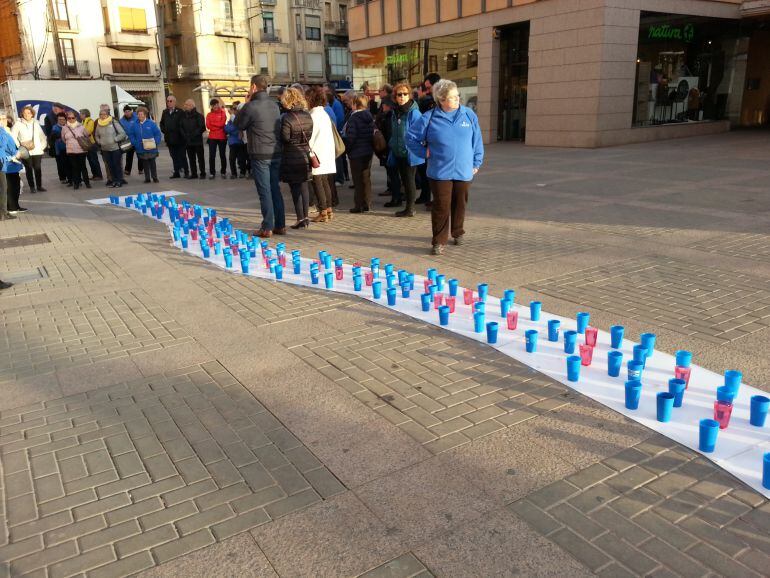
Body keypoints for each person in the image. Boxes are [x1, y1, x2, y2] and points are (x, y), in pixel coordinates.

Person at [407, 79, 483, 255]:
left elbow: (477, 141)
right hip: (440, 171)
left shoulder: (468, 115)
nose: (458, 100)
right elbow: (410, 137)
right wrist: (423, 151)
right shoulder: (429, 117)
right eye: (453, 97)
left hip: (464, 170)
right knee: (441, 205)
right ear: (441, 99)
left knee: (460, 203)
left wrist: (476, 162)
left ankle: (457, 232)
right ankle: (439, 240)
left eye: (458, 96)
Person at [235, 75, 284, 238]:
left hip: (260, 153)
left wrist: (246, 103)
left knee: (265, 191)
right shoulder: (274, 105)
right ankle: (280, 225)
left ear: (254, 87)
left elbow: (238, 125)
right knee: (275, 188)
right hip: (275, 151)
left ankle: (267, 227)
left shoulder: (251, 106)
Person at [277, 88, 313, 230]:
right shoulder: (307, 115)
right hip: (304, 153)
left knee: (295, 188)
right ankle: (306, 217)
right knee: (304, 186)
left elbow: (285, 138)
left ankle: (300, 218)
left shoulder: (287, 117)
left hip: (291, 156)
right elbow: (309, 134)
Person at [389, 82, 424, 217]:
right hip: (398, 152)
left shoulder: (414, 113)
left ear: (409, 95)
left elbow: (420, 133)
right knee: (405, 179)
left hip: (410, 153)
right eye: (399, 94)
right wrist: (392, 144)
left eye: (405, 94)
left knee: (409, 180)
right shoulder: (396, 111)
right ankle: (409, 207)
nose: (402, 96)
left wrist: (412, 147)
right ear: (395, 97)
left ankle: (410, 209)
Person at [306, 86, 336, 223]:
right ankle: (329, 209)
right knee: (325, 183)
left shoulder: (313, 115)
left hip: (317, 154)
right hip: (327, 153)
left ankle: (322, 211)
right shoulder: (324, 114)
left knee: (318, 183)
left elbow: (310, 137)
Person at [343, 94, 374, 213]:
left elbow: (351, 137)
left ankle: (358, 205)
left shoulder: (353, 118)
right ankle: (367, 203)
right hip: (368, 151)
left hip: (356, 153)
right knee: (366, 178)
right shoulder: (369, 116)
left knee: (357, 180)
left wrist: (348, 150)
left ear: (355, 105)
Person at [11, 105, 47, 193]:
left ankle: (39, 186)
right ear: (22, 114)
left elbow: (42, 136)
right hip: (25, 151)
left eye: (29, 113)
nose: (27, 114)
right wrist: (19, 146)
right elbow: (13, 136)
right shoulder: (18, 124)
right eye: (25, 113)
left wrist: (42, 147)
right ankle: (32, 187)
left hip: (37, 150)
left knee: (38, 168)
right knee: (29, 169)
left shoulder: (36, 123)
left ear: (32, 114)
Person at [94, 107, 128, 188]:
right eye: (100, 114)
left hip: (115, 148)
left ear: (107, 115)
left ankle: (119, 181)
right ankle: (114, 181)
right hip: (105, 149)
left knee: (117, 165)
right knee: (110, 166)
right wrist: (99, 142)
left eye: (104, 114)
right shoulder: (99, 123)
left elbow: (122, 133)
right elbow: (96, 135)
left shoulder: (113, 121)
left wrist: (115, 139)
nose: (102, 116)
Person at [0, 109, 23, 217]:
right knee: (5, 188)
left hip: (6, 163)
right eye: (1, 119)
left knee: (8, 187)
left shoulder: (4, 131)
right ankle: (6, 211)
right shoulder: (2, 132)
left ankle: (7, 211)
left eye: (4, 118)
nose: (3, 120)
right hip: (4, 163)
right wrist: (12, 156)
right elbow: (3, 147)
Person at [160, 95, 189, 179]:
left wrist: (181, 133)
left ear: (175, 102)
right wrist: (164, 130)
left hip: (179, 138)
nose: (169, 103)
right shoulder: (165, 112)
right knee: (174, 156)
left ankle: (186, 172)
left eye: (171, 101)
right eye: (168, 101)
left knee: (182, 156)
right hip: (169, 138)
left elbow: (184, 124)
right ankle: (176, 172)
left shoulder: (180, 112)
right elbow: (161, 123)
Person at [61, 110, 91, 189]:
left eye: (72, 118)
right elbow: (63, 139)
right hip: (71, 150)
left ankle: (87, 183)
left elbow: (87, 136)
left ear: (76, 118)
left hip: (81, 150)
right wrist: (70, 143)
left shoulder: (81, 126)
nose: (71, 119)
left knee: (83, 167)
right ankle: (76, 183)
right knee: (74, 167)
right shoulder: (64, 128)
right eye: (69, 118)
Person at [131, 106, 162, 184]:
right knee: (145, 163)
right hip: (140, 148)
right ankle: (147, 178)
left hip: (151, 147)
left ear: (145, 115)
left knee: (152, 163)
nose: (140, 116)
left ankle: (155, 177)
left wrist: (156, 142)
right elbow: (131, 135)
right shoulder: (134, 125)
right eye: (138, 114)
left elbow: (158, 134)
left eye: (141, 114)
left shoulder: (151, 123)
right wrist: (135, 143)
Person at [181, 99, 206, 180]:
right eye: (185, 104)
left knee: (200, 158)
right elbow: (180, 127)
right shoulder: (183, 116)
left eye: (186, 104)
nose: (185, 106)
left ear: (191, 106)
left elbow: (202, 127)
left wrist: (193, 135)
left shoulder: (199, 116)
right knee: (191, 159)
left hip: (197, 141)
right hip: (188, 141)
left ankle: (202, 173)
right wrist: (185, 135)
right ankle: (194, 173)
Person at [206, 98, 227, 179]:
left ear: (218, 104)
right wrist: (217, 126)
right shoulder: (209, 115)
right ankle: (212, 172)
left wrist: (213, 125)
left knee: (222, 155)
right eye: (214, 105)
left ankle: (223, 172)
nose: (215, 106)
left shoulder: (223, 113)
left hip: (222, 137)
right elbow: (208, 126)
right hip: (212, 138)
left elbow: (222, 124)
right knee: (212, 155)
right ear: (211, 106)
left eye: (216, 104)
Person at [79, 109, 103, 181]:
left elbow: (89, 131)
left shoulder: (90, 121)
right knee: (90, 160)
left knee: (94, 160)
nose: (80, 115)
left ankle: (99, 175)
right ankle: (94, 175)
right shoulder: (83, 122)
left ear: (84, 114)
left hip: (91, 143)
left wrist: (81, 131)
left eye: (81, 114)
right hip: (86, 143)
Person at [225, 104, 247, 179]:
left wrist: (233, 130)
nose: (233, 110)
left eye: (235, 109)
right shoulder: (231, 120)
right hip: (232, 142)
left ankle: (242, 172)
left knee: (242, 158)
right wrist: (235, 130)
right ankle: (233, 173)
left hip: (240, 142)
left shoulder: (240, 118)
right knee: (232, 159)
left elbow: (239, 127)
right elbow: (227, 129)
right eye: (233, 109)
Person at [120, 106, 142, 176]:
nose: (127, 113)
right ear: (124, 112)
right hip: (129, 140)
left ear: (131, 111)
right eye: (126, 112)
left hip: (137, 139)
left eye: (128, 111)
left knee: (140, 155)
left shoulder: (136, 117)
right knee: (129, 156)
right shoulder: (121, 120)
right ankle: (127, 170)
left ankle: (141, 169)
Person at [51, 112, 70, 185]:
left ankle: (70, 177)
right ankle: (62, 178)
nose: (61, 121)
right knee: (60, 164)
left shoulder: (68, 126)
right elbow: (57, 135)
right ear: (57, 120)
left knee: (69, 164)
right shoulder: (55, 127)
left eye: (63, 119)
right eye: (60, 119)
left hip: (68, 148)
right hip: (59, 149)